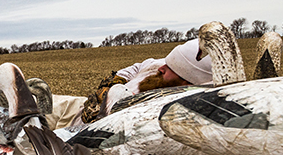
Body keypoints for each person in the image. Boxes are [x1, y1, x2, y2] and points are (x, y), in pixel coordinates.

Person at [75, 38, 213, 125]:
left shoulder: (180, 106)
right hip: (77, 110)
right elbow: (128, 71)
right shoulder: (157, 65)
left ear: (188, 82)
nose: (161, 68)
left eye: (171, 68)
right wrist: (109, 89)